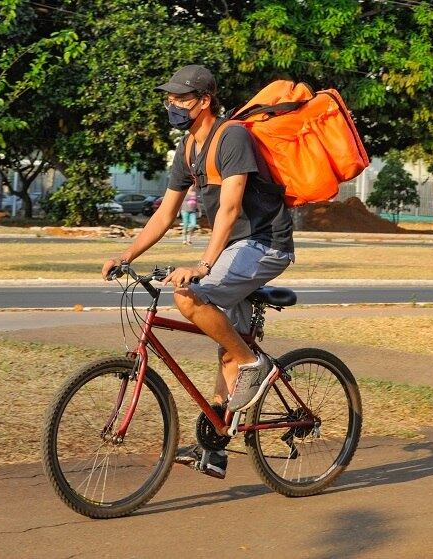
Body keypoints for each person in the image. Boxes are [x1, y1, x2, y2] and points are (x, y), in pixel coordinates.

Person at [101, 64, 295, 480]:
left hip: (264, 244)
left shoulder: (232, 136)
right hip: (234, 248)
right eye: (169, 98)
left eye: (181, 99)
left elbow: (229, 207)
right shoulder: (188, 148)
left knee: (190, 297)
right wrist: (127, 255)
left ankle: (252, 364)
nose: (172, 105)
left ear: (205, 101)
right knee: (226, 339)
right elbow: (166, 213)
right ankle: (218, 444)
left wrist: (203, 265)